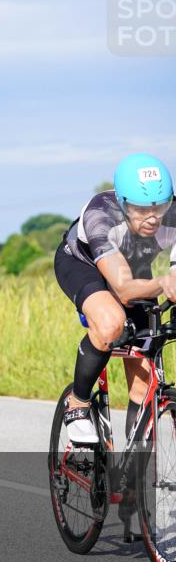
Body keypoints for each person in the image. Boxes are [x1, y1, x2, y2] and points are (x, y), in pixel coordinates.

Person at [54, 153, 176, 447]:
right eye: (141, 209)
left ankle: (131, 483)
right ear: (122, 203)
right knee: (110, 324)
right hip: (83, 265)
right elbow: (122, 289)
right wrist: (163, 282)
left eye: (161, 207)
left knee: (145, 380)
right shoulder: (101, 216)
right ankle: (79, 403)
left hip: (133, 266)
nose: (153, 218)